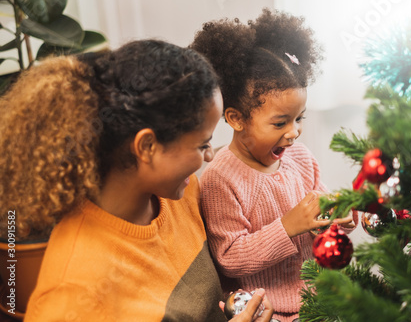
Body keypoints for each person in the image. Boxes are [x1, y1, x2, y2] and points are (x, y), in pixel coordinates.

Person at [0, 40, 273, 321]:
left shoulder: (182, 193)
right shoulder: (73, 291)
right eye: (203, 144)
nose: (209, 157)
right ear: (146, 147)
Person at [191, 9, 355, 322]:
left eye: (299, 118)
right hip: (272, 312)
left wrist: (341, 214)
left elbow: (321, 211)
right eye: (280, 122)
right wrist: (287, 227)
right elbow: (228, 258)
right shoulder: (219, 179)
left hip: (324, 297)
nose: (293, 132)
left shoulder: (301, 158)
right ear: (236, 118)